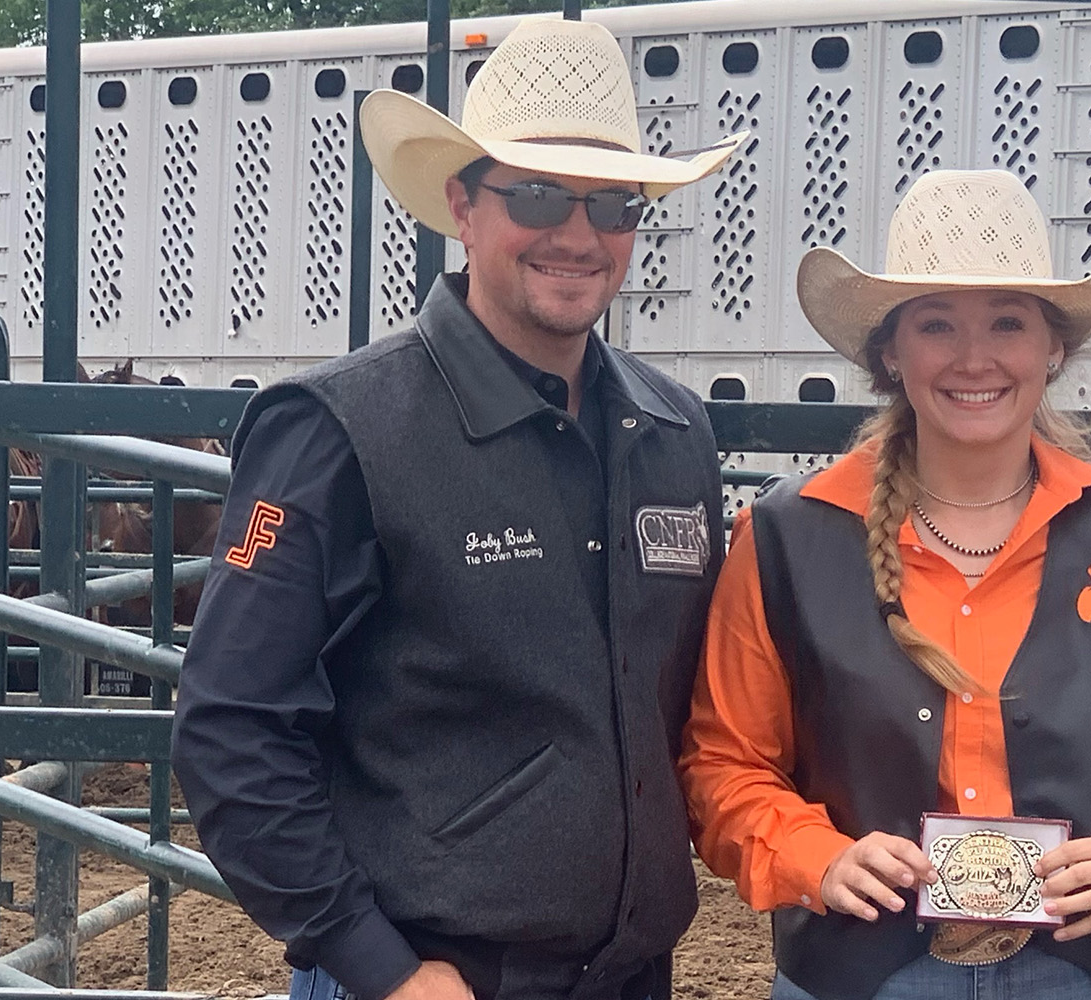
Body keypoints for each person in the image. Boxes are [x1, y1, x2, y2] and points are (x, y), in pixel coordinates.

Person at [171, 18, 741, 1000]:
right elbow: (231, 726)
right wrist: (376, 964)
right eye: (534, 193)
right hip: (431, 980)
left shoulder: (674, 432)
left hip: (630, 974)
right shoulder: (337, 429)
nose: (577, 233)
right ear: (461, 206)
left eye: (613, 201)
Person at [678, 169, 1091, 1000]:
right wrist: (816, 858)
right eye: (937, 324)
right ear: (891, 353)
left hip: (1082, 971)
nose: (975, 359)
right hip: (858, 972)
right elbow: (725, 763)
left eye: (1008, 322)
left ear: (1053, 348)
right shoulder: (788, 536)